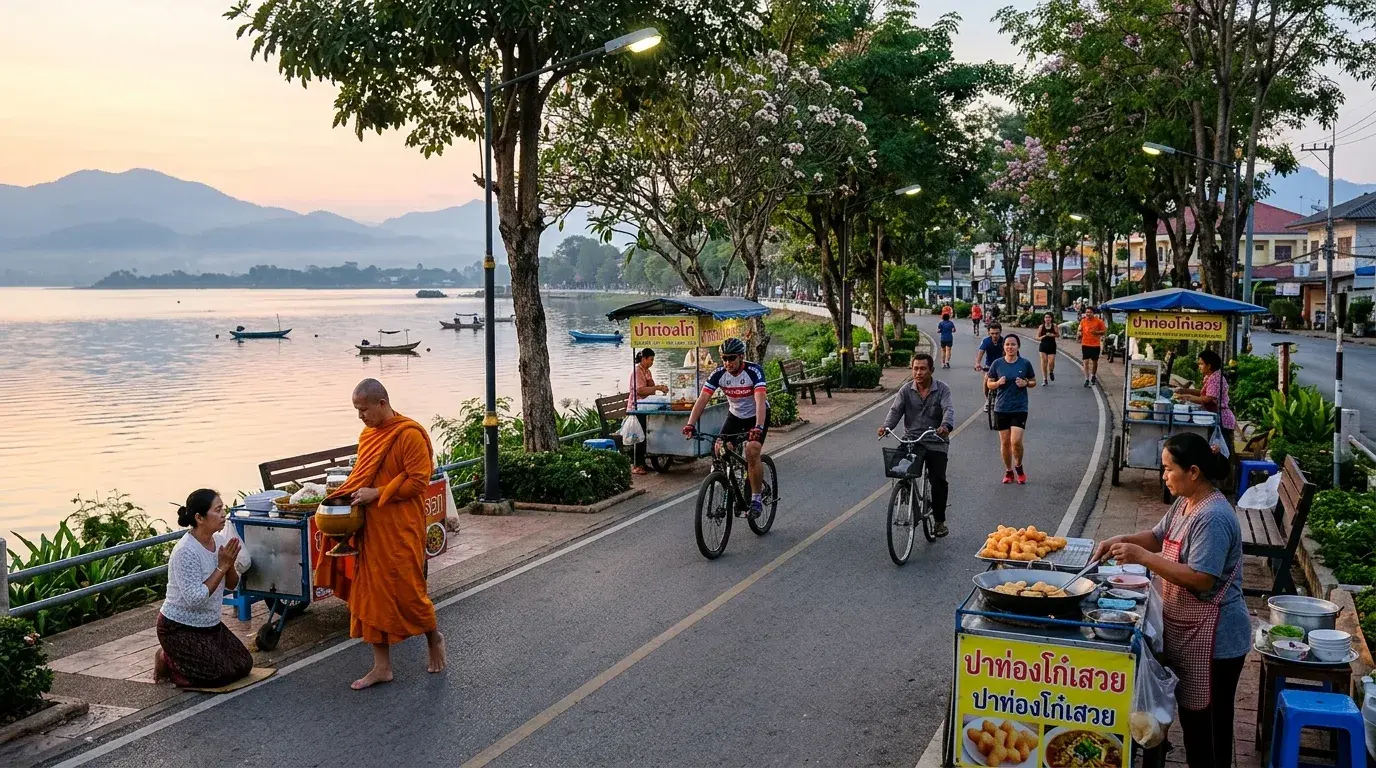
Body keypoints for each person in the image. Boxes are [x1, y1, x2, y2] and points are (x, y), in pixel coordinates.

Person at [1092, 433, 1248, 768]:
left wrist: (1143, 558)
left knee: (1206, 725)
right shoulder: (1185, 502)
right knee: (1187, 718)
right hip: (1186, 627)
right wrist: (1120, 540)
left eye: (1168, 469)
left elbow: (1201, 578)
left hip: (1216, 639)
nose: (1163, 476)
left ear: (1193, 471)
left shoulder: (1213, 516)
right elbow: (1156, 536)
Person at [315, 378, 445, 690]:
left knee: (409, 591)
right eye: (357, 410)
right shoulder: (368, 436)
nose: (361, 415)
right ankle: (382, 667)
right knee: (370, 595)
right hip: (372, 528)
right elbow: (361, 475)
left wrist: (378, 493)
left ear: (382, 403)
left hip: (401, 526)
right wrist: (347, 498)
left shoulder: (409, 435)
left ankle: (433, 637)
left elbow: (417, 481)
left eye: (364, 409)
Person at [154, 489, 253, 689]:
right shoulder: (185, 551)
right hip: (178, 626)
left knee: (243, 666)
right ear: (199, 517)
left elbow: (233, 585)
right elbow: (195, 598)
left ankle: (182, 656)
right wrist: (222, 566)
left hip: (210, 624)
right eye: (217, 510)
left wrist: (230, 565)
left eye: (223, 508)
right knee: (219, 675)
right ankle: (167, 658)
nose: (224, 514)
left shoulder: (219, 541)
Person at [683, 337, 769, 518]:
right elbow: (702, 401)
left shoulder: (754, 371)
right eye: (724, 358)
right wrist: (690, 424)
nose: (727, 362)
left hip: (757, 415)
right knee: (719, 447)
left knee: (752, 450)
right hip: (736, 415)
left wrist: (758, 427)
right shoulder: (718, 374)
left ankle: (756, 498)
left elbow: (760, 401)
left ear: (741, 357)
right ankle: (728, 481)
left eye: (731, 358)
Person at [877, 354, 956, 537]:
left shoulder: (942, 390)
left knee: (938, 480)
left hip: (936, 441)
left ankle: (939, 521)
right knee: (899, 468)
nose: (918, 372)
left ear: (931, 371)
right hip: (912, 440)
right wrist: (886, 427)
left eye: (922, 368)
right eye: (915, 368)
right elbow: (895, 411)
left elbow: (948, 410)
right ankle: (905, 489)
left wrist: (945, 426)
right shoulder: (905, 390)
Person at [986, 334, 1037, 484]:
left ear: (1018, 347)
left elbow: (1034, 381)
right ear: (1004, 347)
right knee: (1005, 443)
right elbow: (989, 383)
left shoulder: (1025, 364)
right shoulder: (997, 364)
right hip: (1001, 408)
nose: (1010, 347)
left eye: (1013, 344)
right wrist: (997, 383)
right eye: (1007, 344)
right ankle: (1009, 471)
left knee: (1015, 441)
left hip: (1019, 407)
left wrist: (1026, 383)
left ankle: (1019, 467)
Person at [1174, 349, 1237, 453]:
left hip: (1221, 418)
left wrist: (1187, 397)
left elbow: (1208, 398)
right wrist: (1185, 390)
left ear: (1209, 365)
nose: (1199, 366)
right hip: (1215, 416)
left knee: (1220, 450)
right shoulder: (1212, 376)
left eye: (1201, 364)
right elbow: (1203, 393)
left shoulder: (1216, 378)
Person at [630, 348, 668, 475]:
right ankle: (637, 465)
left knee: (648, 432)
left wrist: (657, 386)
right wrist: (656, 387)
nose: (652, 362)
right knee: (641, 434)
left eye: (653, 360)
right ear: (644, 358)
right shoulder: (637, 372)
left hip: (646, 405)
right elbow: (640, 391)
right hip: (637, 408)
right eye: (651, 359)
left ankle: (643, 464)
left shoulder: (647, 371)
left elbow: (651, 388)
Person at [1078, 305, 1108, 387]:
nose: (1088, 314)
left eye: (1090, 312)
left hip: (1095, 345)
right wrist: (1079, 334)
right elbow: (1079, 330)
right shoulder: (1083, 321)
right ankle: (1086, 378)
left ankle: (1093, 375)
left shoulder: (1099, 321)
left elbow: (1104, 331)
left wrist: (1097, 333)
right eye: (1087, 312)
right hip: (1085, 344)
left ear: (1094, 313)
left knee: (1094, 362)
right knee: (1085, 361)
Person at [1035, 312, 1058, 386]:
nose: (1047, 319)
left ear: (1051, 318)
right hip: (1043, 346)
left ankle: (1051, 371)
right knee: (1044, 363)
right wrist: (1043, 336)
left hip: (1052, 346)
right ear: (1044, 319)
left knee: (1051, 362)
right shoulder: (1042, 326)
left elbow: (1058, 335)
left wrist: (1052, 335)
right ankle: (1045, 379)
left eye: (1049, 317)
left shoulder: (1054, 326)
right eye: (1046, 317)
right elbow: (1037, 337)